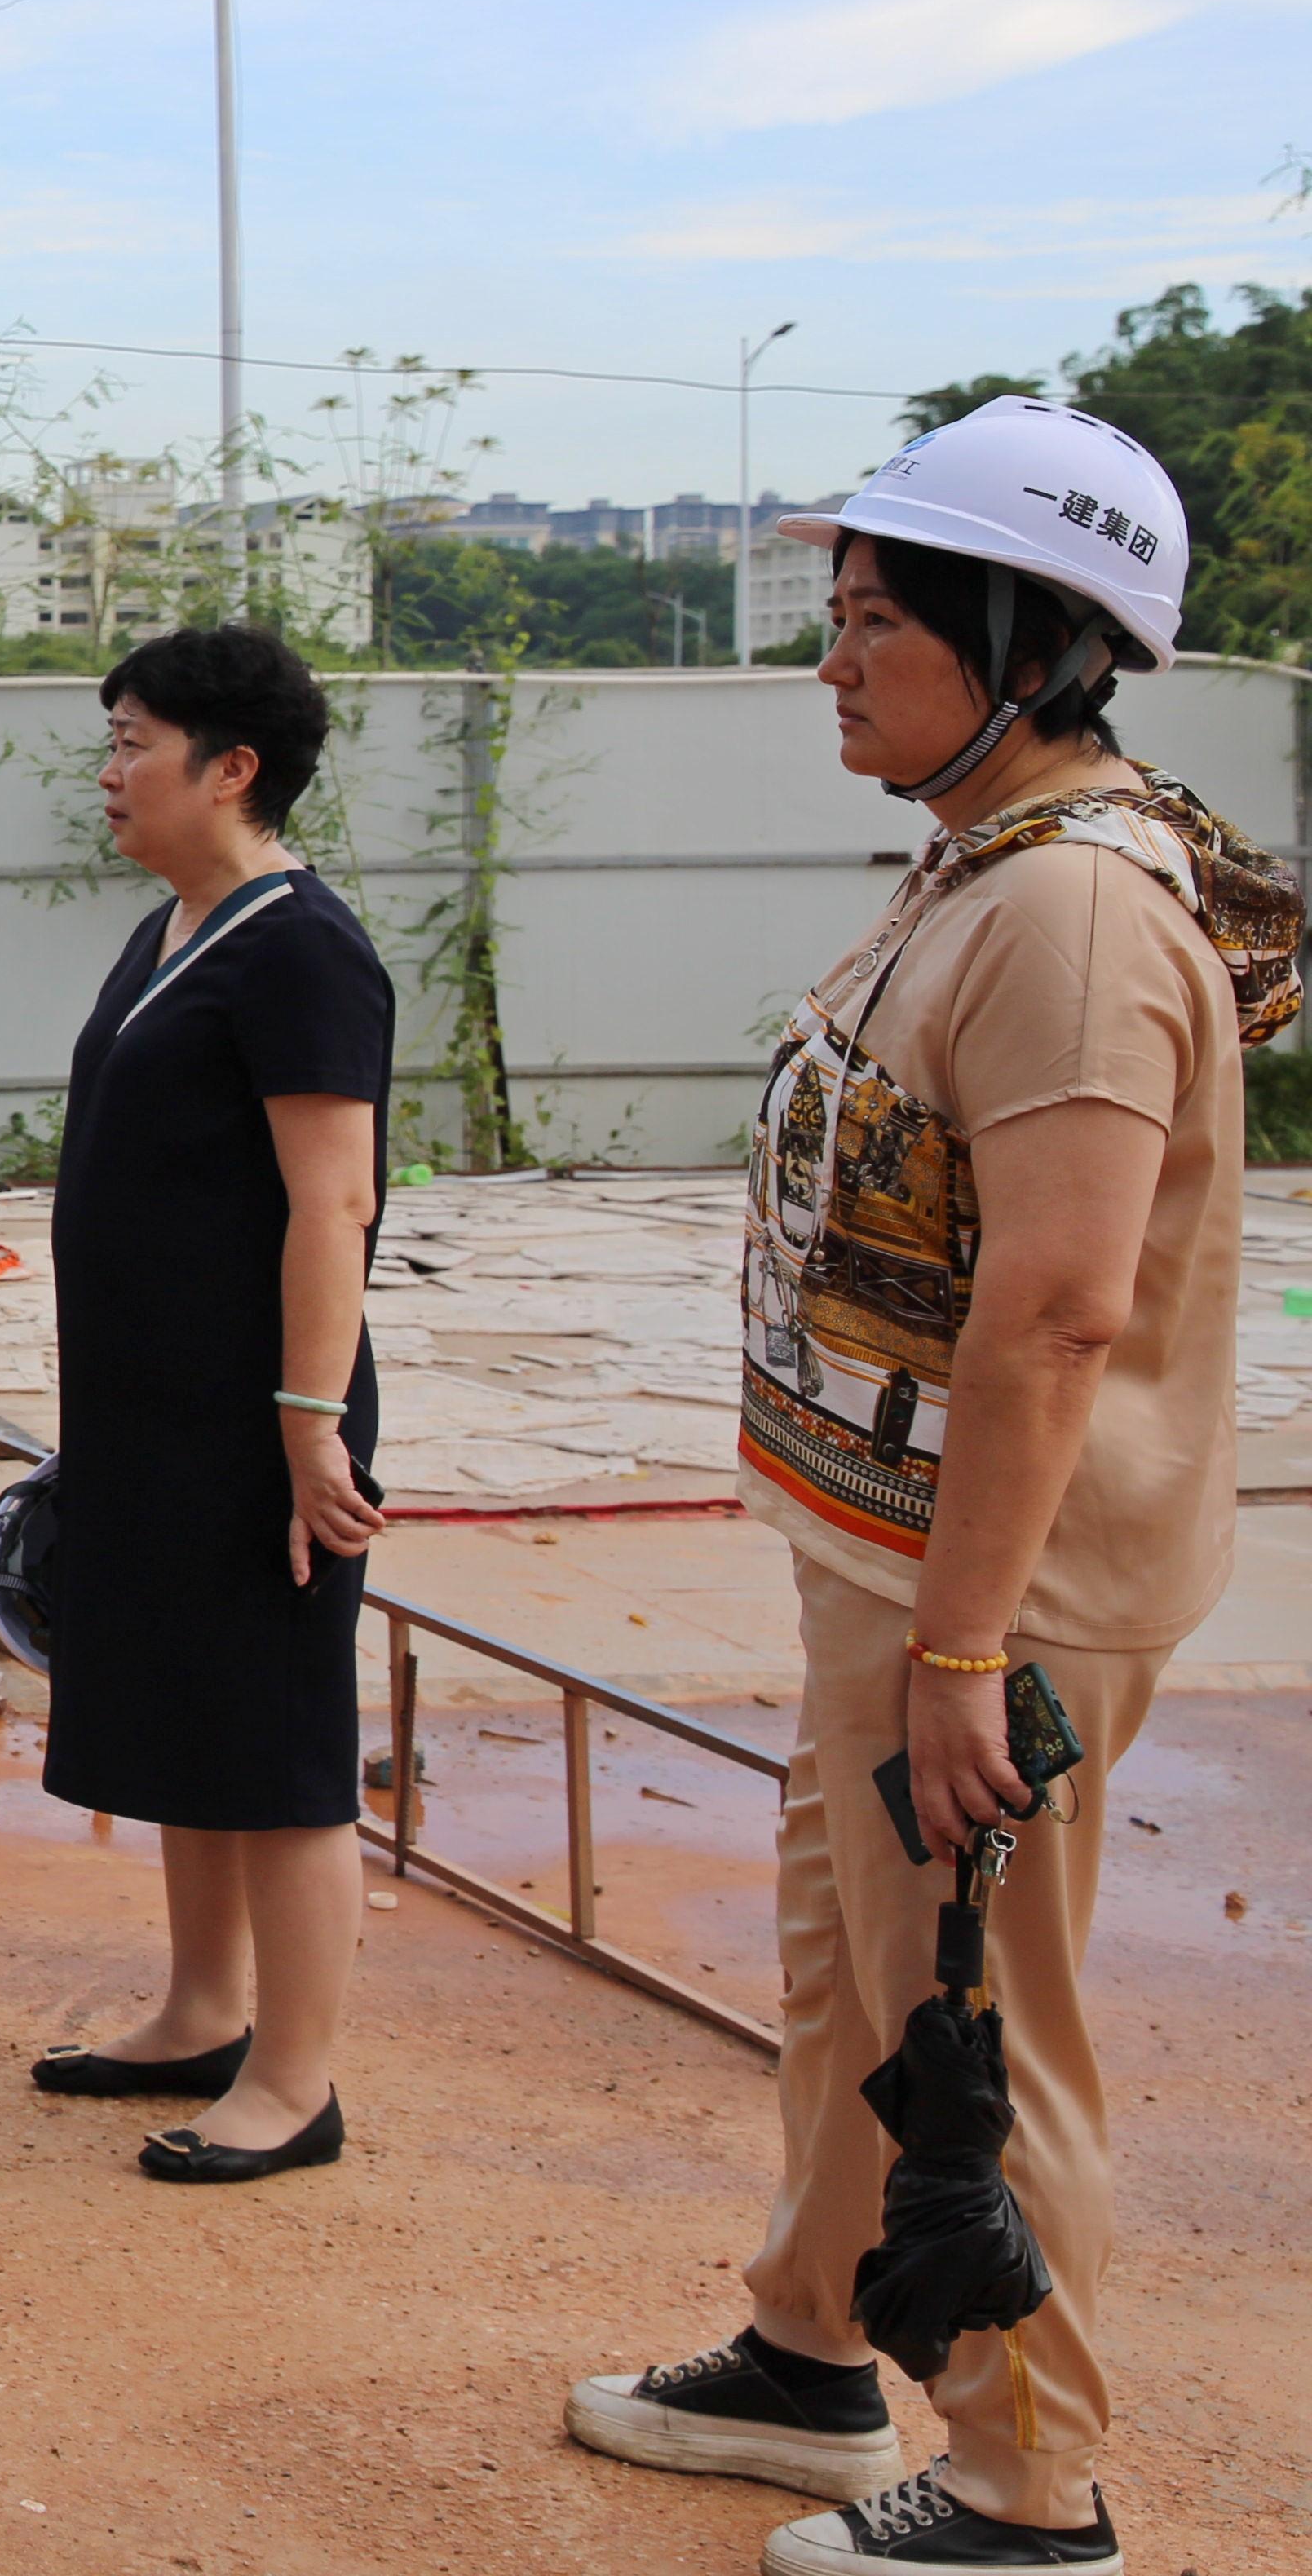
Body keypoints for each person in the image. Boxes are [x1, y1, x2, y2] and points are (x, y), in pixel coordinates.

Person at [568, 400, 1290, 2576]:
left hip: (991, 1595)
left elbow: (1056, 1310)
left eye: (875, 616)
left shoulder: (1066, 915)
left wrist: (965, 1649)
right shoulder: (982, 863)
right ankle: (809, 2346)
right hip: (892, 1567)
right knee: (852, 1980)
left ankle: (1023, 2481)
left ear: (1033, 643)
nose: (830, 657)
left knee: (972, 2025)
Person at [25, 622, 391, 2187]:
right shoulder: (177, 927)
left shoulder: (301, 949)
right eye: (110, 742)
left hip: (261, 1421)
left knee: (277, 1740)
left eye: (134, 744)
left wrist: (309, 1423)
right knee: (187, 1713)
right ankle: (201, 2009)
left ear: (231, 768)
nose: (110, 773)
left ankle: (295, 2082)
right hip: (156, 1414)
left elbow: (333, 1202)